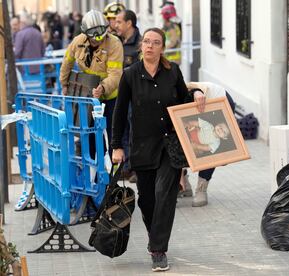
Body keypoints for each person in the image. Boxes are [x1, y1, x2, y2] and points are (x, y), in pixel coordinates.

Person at [111, 27, 206, 272]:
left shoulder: (172, 71)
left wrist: (196, 93)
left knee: (165, 195)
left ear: (162, 47)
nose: (150, 46)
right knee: (148, 200)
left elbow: (185, 98)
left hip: (170, 146)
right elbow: (120, 113)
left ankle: (158, 250)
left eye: (155, 42)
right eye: (146, 42)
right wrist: (117, 147)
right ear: (141, 46)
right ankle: (157, 238)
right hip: (142, 146)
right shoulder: (130, 75)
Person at [60, 10, 123, 157]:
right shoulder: (78, 42)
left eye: (100, 39)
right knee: (92, 137)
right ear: (86, 34)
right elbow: (66, 63)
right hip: (88, 97)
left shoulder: (114, 44)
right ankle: (97, 173)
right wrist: (64, 84)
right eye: (94, 40)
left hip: (111, 97)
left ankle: (116, 172)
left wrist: (103, 87)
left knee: (115, 136)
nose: (98, 41)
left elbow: (115, 74)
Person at [179, 82, 236, 207]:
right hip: (193, 114)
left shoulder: (179, 94)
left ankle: (201, 187)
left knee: (209, 152)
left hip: (219, 102)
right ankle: (183, 183)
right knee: (182, 142)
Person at [114, 9, 141, 182]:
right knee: (122, 129)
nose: (115, 25)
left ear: (129, 23)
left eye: (118, 22)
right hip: (119, 95)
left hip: (136, 96)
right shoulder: (117, 43)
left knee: (134, 131)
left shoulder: (140, 43)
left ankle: (137, 168)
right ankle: (126, 167)